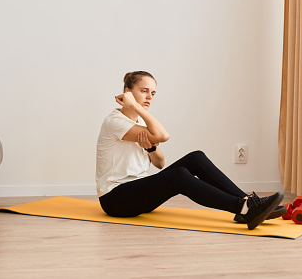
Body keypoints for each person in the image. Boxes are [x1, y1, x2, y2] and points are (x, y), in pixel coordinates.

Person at [95, 71, 285, 230]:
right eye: (143, 91)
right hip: (116, 199)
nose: (149, 97)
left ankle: (248, 202)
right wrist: (135, 106)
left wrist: (151, 147)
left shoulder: (142, 122)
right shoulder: (115, 122)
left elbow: (160, 163)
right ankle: (243, 208)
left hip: (138, 192)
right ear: (127, 92)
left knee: (196, 158)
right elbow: (163, 135)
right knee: (178, 176)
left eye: (153, 93)